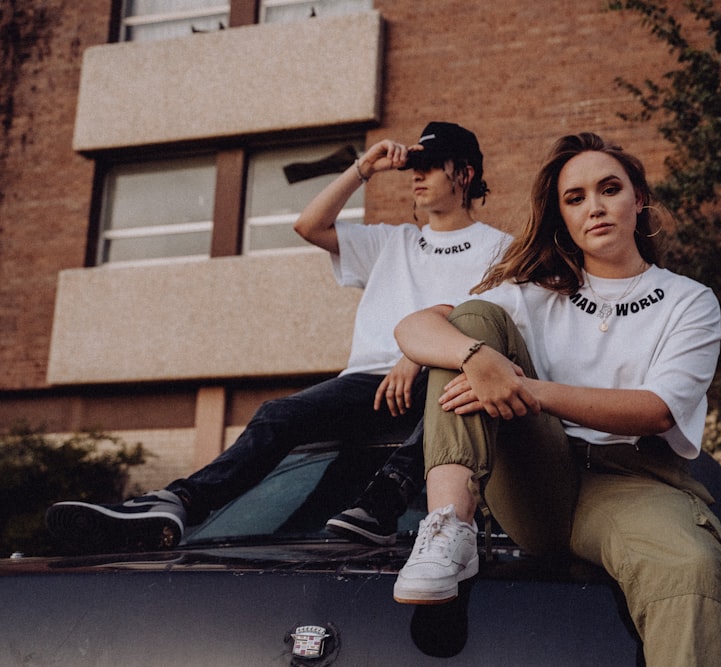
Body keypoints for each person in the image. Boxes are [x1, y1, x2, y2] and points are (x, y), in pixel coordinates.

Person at [46, 122, 511, 553]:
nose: (417, 175)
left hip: (442, 383)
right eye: (414, 165)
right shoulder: (392, 243)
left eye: (430, 165)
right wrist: (363, 168)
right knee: (278, 413)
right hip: (367, 384)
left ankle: (382, 503)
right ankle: (179, 503)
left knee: (454, 384)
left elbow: (491, 323)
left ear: (465, 174)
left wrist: (419, 351)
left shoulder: (501, 249)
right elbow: (309, 226)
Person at [390, 133, 721, 666]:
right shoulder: (532, 295)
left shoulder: (688, 301)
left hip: (632, 485)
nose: (594, 207)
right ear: (562, 216)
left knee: (690, 563)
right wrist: (477, 358)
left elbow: (657, 409)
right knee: (474, 325)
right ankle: (447, 529)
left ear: (638, 199)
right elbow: (415, 327)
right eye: (575, 198)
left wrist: (526, 388)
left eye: (609, 189)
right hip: (536, 481)